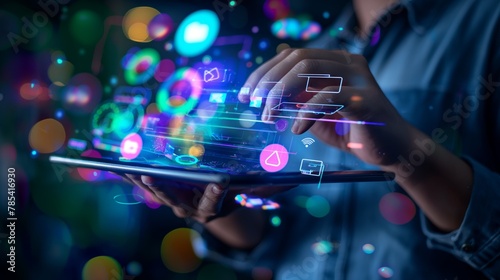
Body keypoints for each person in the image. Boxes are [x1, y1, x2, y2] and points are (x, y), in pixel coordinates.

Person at [125, 0, 500, 278]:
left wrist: (408, 156)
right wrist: (219, 204)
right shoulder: (308, 54)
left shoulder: (488, 24)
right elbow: (276, 241)